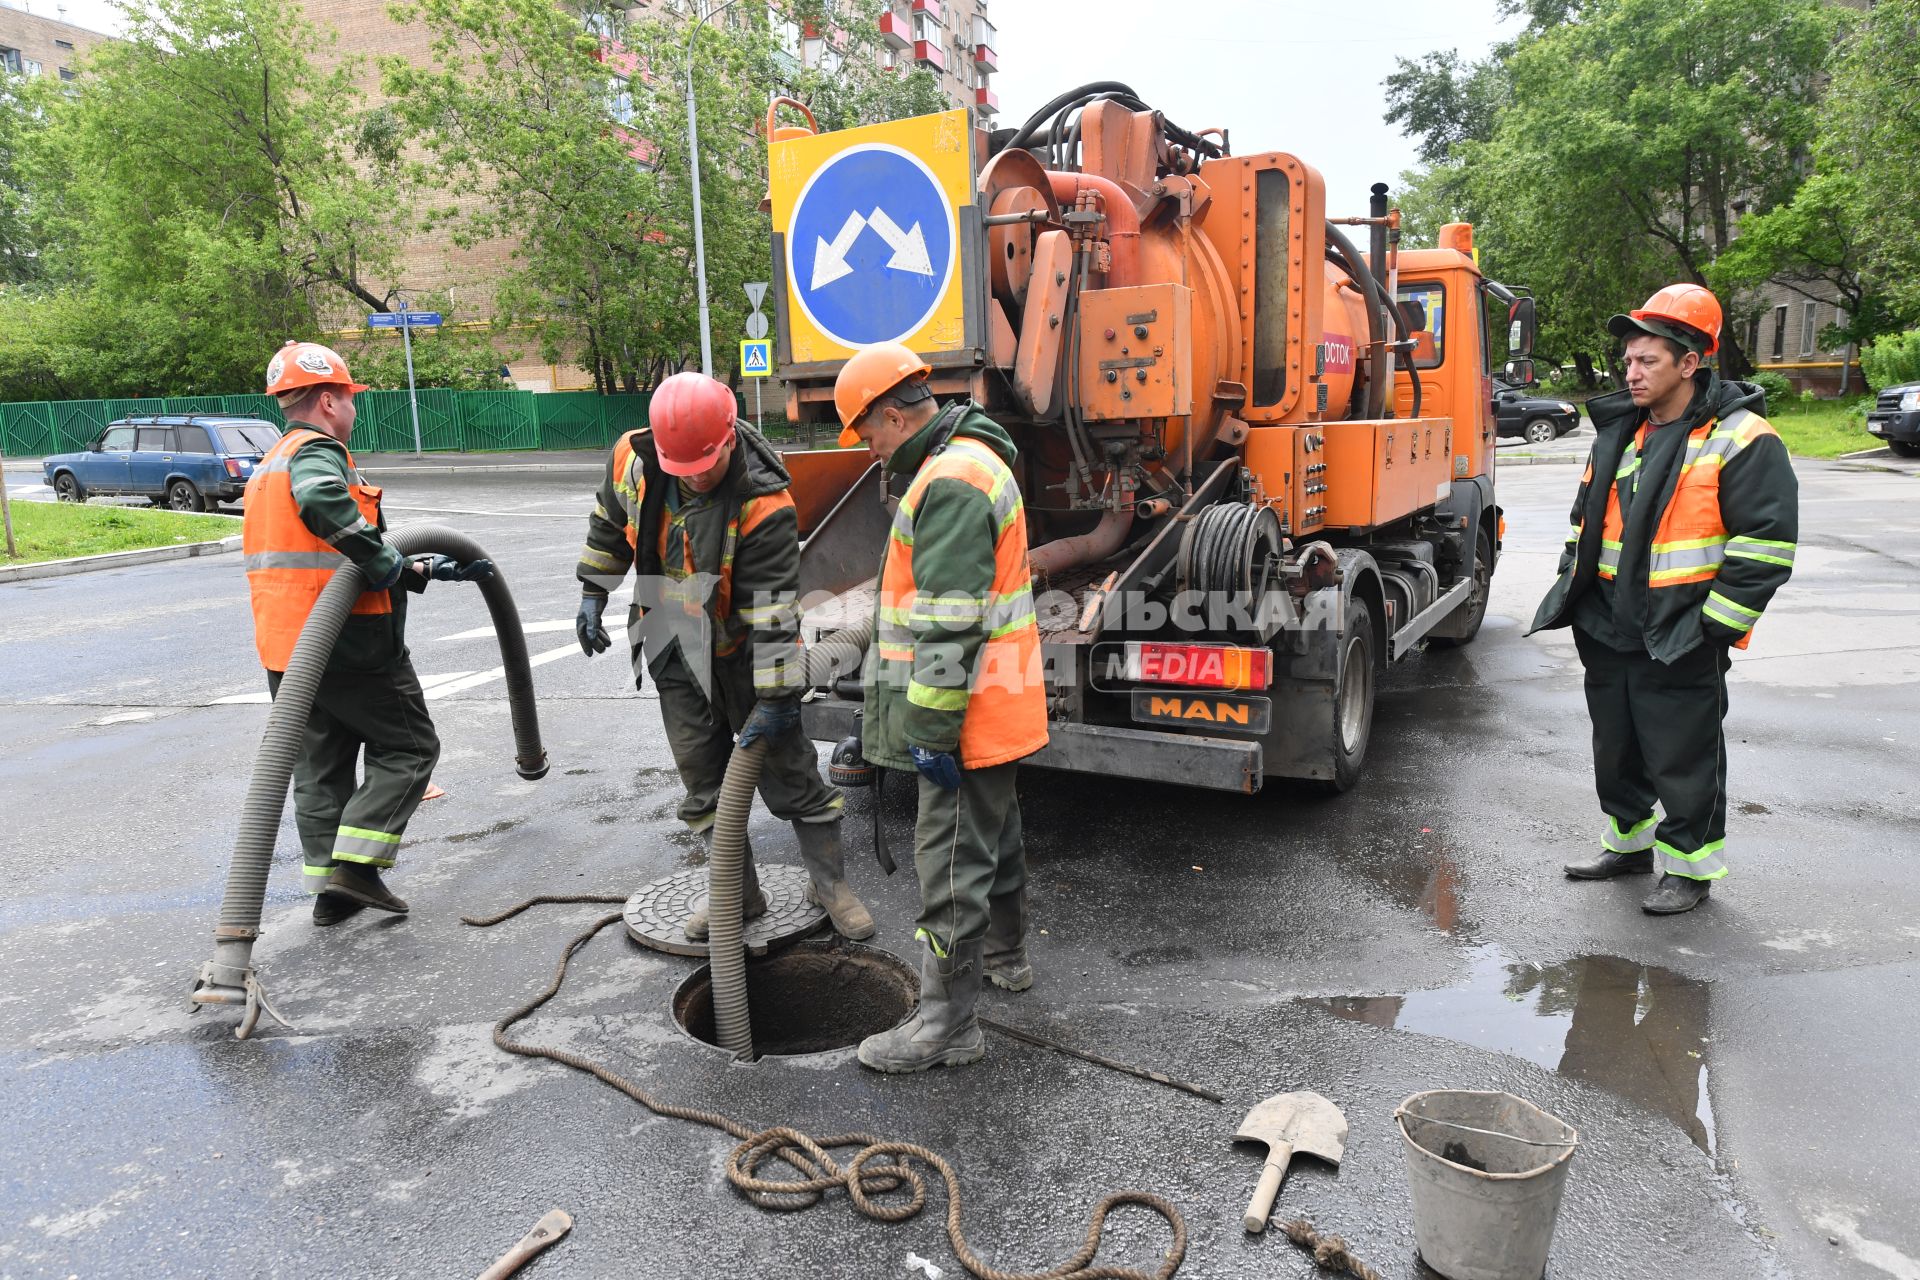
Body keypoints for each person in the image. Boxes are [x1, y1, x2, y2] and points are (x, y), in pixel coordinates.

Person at [573, 371, 872, 942]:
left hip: (741, 649)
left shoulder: (765, 505)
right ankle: (740, 896)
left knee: (791, 775)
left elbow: (772, 615)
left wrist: (779, 697)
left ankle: (830, 886)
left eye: (702, 467)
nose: (693, 478)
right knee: (704, 782)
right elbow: (610, 525)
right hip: (667, 637)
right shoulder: (632, 461)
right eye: (681, 467)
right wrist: (592, 590)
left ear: (730, 437)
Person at [1530, 285, 1798, 914]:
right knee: (1616, 748)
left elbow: (1766, 547)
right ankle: (1627, 845)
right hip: (1608, 626)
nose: (1632, 372)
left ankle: (1689, 870)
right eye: (1628, 360)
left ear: (1691, 362)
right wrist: (1576, 588)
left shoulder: (1743, 437)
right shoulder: (1621, 431)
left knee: (1684, 756)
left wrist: (1713, 627)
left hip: (1681, 630)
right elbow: (1583, 521)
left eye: (1647, 360)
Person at [833, 343, 1049, 1074]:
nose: (871, 450)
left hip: (966, 715)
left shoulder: (950, 479)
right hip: (997, 703)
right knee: (996, 836)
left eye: (869, 434)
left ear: (894, 415)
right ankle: (1008, 958)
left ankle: (947, 1026)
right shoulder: (967, 459)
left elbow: (951, 618)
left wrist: (927, 731)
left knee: (950, 863)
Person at [244, 341, 493, 926]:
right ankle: (357, 869)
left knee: (322, 767)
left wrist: (418, 568)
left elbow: (315, 553)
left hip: (288, 648)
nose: (354, 409)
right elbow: (323, 503)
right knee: (409, 747)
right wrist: (386, 562)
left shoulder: (270, 461)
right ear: (328, 400)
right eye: (350, 398)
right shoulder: (316, 454)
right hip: (349, 644)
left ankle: (331, 895)